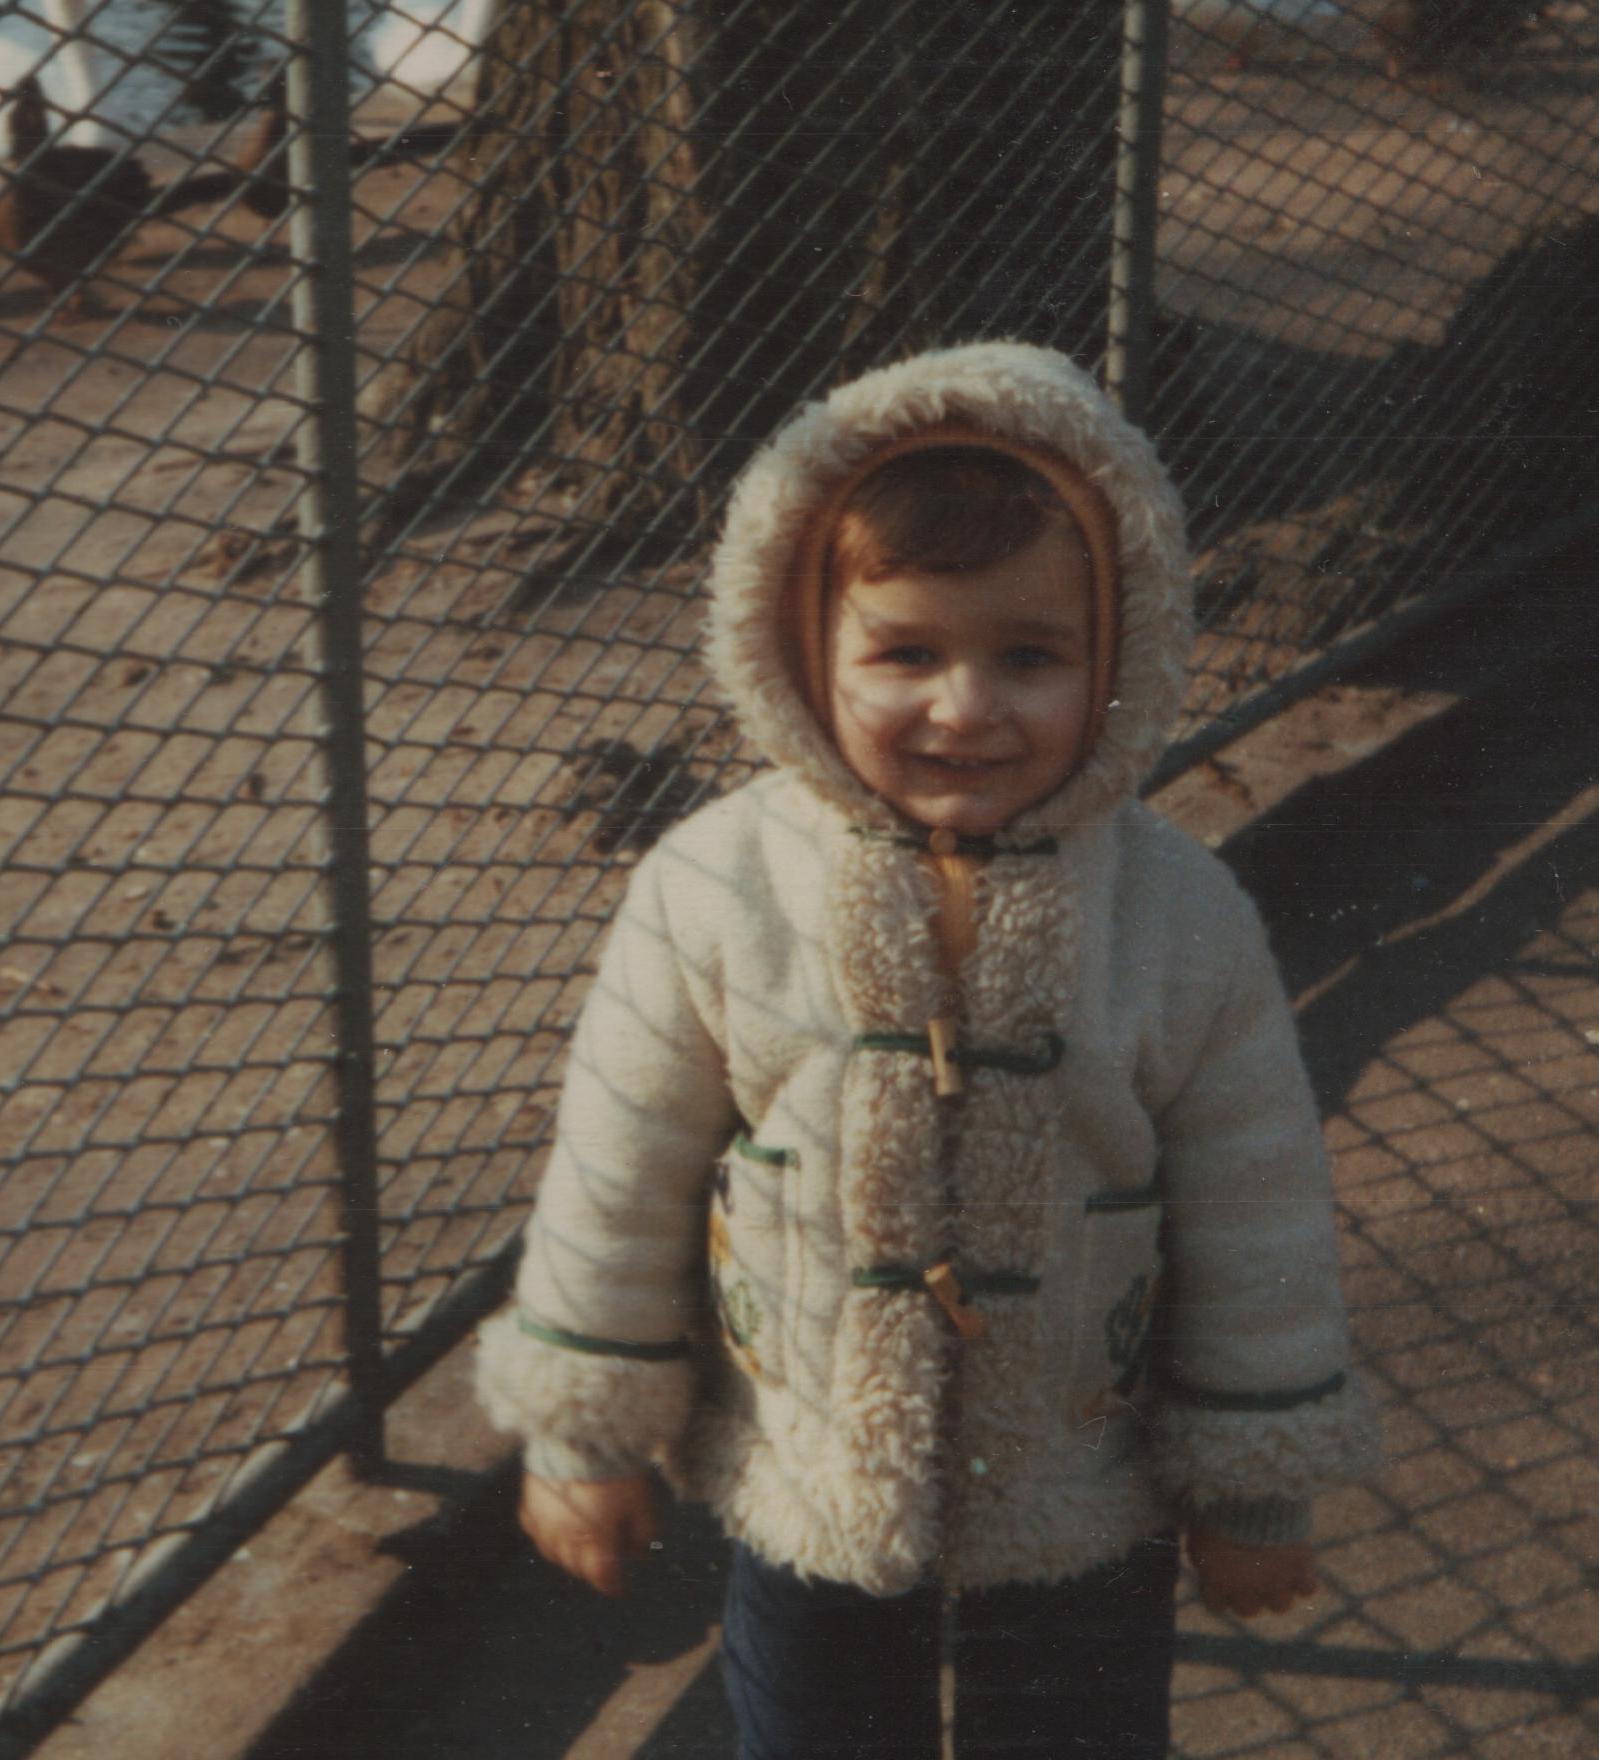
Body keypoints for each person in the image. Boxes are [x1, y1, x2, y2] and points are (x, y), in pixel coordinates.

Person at [474, 342, 1379, 1758]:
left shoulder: (1178, 910)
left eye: (1031, 656)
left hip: (1084, 1468)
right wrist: (582, 1429)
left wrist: (1254, 1483)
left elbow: (1256, 1200)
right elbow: (620, 1167)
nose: (965, 707)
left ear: (1120, 657)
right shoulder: (714, 887)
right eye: (905, 652)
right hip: (815, 1462)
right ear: (801, 650)